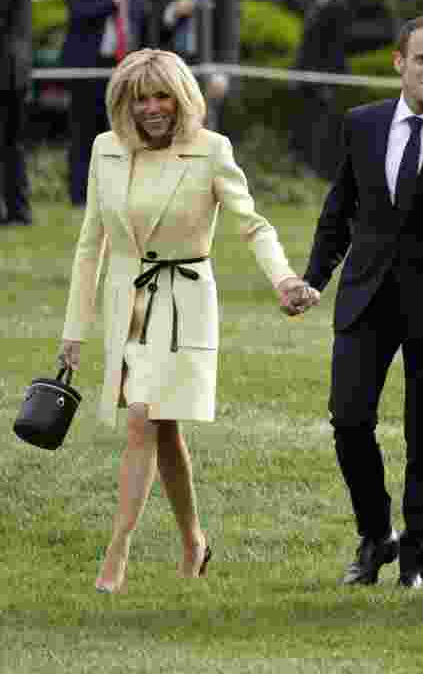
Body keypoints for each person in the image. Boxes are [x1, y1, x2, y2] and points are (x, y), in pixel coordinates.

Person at [58, 49, 318, 593]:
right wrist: (73, 332)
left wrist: (284, 279)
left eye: (163, 97)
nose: (153, 109)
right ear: (123, 104)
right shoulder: (105, 150)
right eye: (141, 98)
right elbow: (90, 245)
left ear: (182, 100)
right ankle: (194, 542)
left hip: (185, 305)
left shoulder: (210, 150)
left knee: (143, 419)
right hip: (126, 304)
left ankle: (116, 553)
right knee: (161, 427)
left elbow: (254, 225)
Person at [301, 15, 423, 590]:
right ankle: (376, 534)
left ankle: (418, 561)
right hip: (366, 297)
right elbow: (339, 212)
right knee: (349, 421)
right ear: (399, 62)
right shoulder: (363, 124)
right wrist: (314, 278)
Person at [60, 0, 152, 207]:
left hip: (125, 66)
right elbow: (79, 14)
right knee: (84, 131)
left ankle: (125, 192)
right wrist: (111, 3)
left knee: (126, 132)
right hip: (89, 67)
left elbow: (144, 19)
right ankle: (80, 196)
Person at [160, 0, 240, 132]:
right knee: (176, 133)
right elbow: (158, 29)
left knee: (208, 133)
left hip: (209, 68)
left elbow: (229, 31)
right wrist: (172, 12)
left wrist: (222, 73)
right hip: (176, 70)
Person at [292, 0, 351, 179]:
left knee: (323, 127)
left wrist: (327, 80)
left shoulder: (339, 3)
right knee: (308, 125)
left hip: (326, 79)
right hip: (309, 77)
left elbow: (336, 46)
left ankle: (321, 173)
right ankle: (308, 169)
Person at [0, 0, 32, 226]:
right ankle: (18, 209)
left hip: (5, 68)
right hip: (15, 69)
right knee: (13, 144)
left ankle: (16, 209)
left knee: (10, 144)